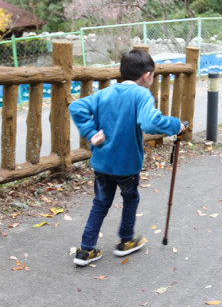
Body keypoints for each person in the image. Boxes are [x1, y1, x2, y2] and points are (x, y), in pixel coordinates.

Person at [69, 48, 185, 267]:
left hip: (102, 163)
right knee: (130, 198)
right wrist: (175, 125)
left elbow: (76, 106)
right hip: (127, 166)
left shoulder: (105, 93)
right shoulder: (141, 94)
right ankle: (126, 240)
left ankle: (86, 250)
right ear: (147, 75)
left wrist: (91, 133)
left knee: (100, 203)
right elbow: (150, 123)